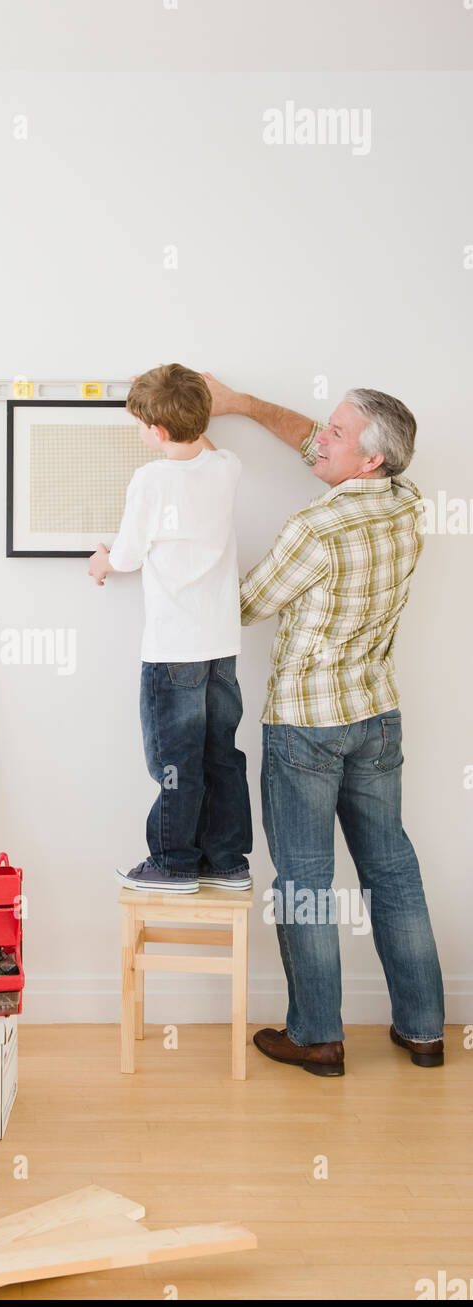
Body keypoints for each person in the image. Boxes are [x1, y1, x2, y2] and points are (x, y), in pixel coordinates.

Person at [204, 373, 445, 1076]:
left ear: (368, 459)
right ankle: (424, 1030)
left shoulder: (316, 528)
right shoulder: (405, 501)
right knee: (392, 871)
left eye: (336, 433)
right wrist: (242, 403)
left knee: (304, 881)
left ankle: (316, 1035)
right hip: (375, 718)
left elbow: (245, 606)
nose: (321, 438)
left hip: (306, 728)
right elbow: (319, 443)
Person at [88, 363, 252, 894]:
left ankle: (173, 863)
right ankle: (227, 861)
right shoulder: (227, 466)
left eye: (142, 424)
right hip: (220, 646)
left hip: (173, 650)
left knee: (174, 760)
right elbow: (200, 441)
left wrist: (101, 559)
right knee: (220, 753)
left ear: (157, 432)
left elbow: (130, 555)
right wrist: (190, 398)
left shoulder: (152, 479)